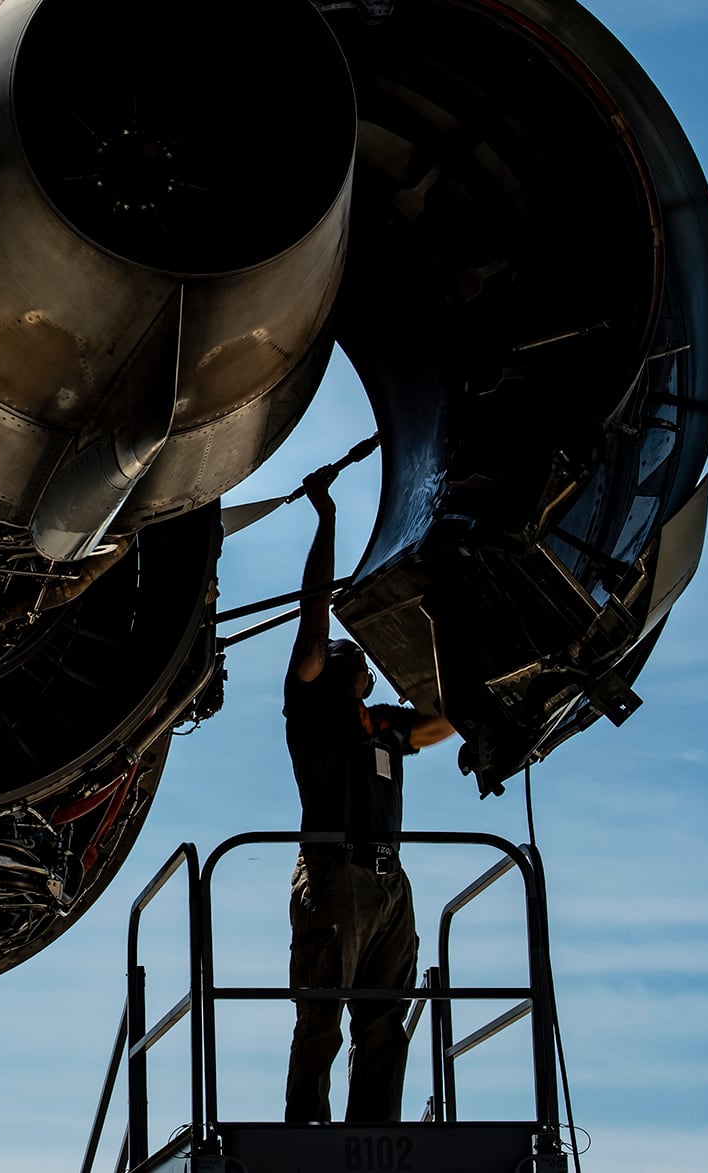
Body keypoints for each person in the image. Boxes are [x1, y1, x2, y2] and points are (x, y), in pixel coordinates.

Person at [283, 464, 455, 1125]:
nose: (361, 657)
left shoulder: (385, 723)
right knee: (322, 1015)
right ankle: (308, 1128)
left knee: (385, 1020)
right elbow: (312, 609)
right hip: (333, 873)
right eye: (345, 652)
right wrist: (326, 517)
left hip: (389, 884)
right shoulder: (311, 707)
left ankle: (374, 1129)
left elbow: (449, 719)